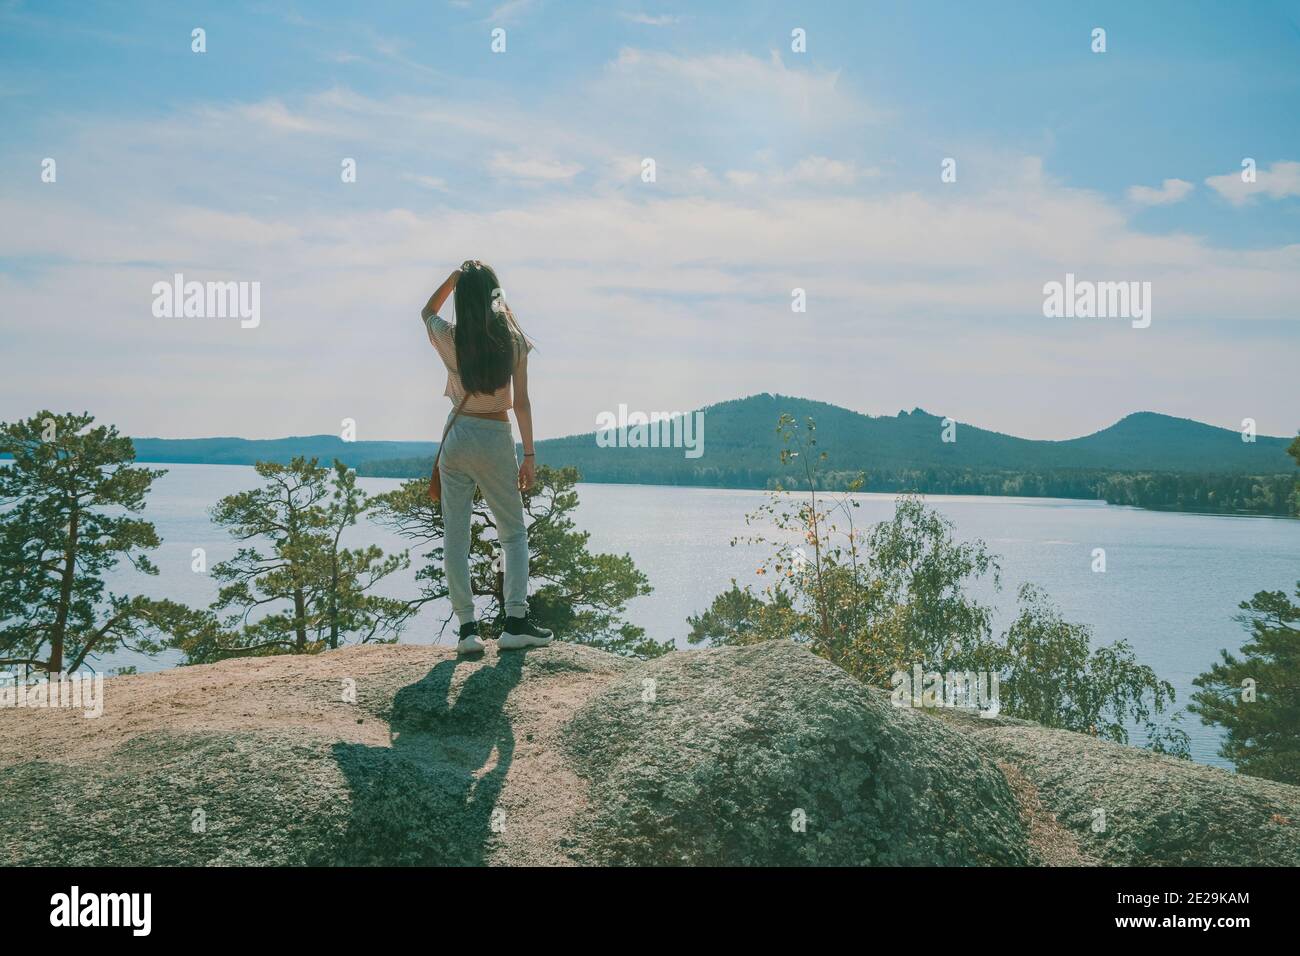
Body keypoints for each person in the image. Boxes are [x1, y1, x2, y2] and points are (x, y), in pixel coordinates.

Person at [420, 260, 554, 655]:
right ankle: (515, 622)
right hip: (496, 436)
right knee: (512, 532)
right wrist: (529, 454)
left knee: (455, 537)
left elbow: (426, 312)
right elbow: (522, 404)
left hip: (458, 437)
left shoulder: (450, 337)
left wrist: (452, 280)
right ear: (498, 296)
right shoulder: (512, 340)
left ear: (462, 298)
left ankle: (467, 631)